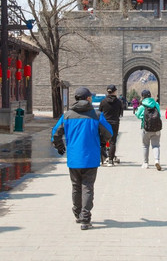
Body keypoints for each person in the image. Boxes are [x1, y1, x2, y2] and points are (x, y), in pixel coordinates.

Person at [52, 87, 113, 230]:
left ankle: (78, 213)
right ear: (88, 98)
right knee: (87, 187)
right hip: (91, 157)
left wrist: (60, 146)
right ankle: (85, 218)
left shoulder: (67, 116)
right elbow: (109, 133)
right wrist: (101, 142)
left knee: (76, 186)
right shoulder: (96, 115)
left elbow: (55, 133)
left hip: (74, 158)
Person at [134, 89, 162, 170]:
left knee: (145, 146)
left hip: (145, 128)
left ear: (143, 96)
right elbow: (159, 114)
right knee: (156, 145)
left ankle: (146, 163)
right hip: (156, 128)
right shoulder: (156, 104)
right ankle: (157, 160)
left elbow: (138, 115)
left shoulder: (142, 106)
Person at [99, 84, 123, 166]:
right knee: (112, 141)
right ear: (115, 91)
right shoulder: (119, 102)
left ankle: (103, 158)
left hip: (105, 123)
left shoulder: (103, 101)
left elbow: (100, 112)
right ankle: (110, 160)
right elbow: (120, 113)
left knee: (104, 141)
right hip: (114, 123)